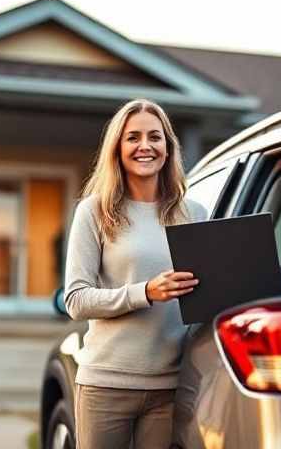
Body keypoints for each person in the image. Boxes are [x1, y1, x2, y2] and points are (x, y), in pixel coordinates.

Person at [63, 99, 206, 448]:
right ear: (118, 148)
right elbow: (76, 300)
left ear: (168, 148)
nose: (145, 146)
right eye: (133, 137)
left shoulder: (196, 213)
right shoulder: (94, 212)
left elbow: (207, 297)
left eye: (155, 137)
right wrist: (146, 292)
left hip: (169, 388)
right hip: (105, 385)